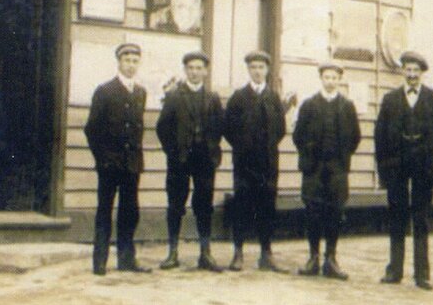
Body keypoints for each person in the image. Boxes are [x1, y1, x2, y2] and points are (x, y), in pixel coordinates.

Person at [374, 50, 433, 290]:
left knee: (421, 219)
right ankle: (394, 270)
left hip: (424, 166)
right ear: (402, 71)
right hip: (396, 165)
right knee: (396, 217)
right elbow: (380, 136)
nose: (412, 75)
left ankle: (422, 274)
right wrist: (383, 169)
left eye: (416, 71)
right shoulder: (390, 99)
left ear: (422, 73)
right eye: (408, 70)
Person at [83, 42, 151, 276]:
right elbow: (91, 129)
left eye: (135, 61)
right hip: (109, 164)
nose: (131, 65)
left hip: (131, 163)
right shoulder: (105, 91)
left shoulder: (140, 93)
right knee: (105, 211)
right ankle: (99, 261)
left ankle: (126, 259)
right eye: (127, 60)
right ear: (119, 62)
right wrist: (102, 158)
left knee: (130, 211)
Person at [156, 50, 225, 272]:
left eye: (199, 68)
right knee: (175, 205)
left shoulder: (212, 98)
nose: (195, 72)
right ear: (185, 70)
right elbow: (162, 128)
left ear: (205, 71)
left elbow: (219, 127)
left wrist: (212, 148)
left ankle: (205, 253)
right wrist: (173, 152)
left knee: (204, 206)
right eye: (191, 68)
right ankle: (173, 252)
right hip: (180, 161)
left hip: (204, 161)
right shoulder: (175, 96)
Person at [291, 62, 360, 280]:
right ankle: (313, 257)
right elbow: (298, 135)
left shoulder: (347, 106)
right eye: (326, 77)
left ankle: (331, 258)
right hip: (314, 169)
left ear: (340, 80)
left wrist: (342, 157)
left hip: (337, 169)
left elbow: (355, 136)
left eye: (334, 77)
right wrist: (310, 155)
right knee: (312, 211)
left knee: (335, 212)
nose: (330, 81)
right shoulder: (309, 105)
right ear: (321, 78)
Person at [223, 50, 288, 272]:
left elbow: (280, 129)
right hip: (244, 163)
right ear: (248, 70)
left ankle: (266, 253)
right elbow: (228, 129)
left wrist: (265, 148)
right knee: (241, 205)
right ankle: (238, 252)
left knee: (267, 206)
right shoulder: (238, 98)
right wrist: (244, 147)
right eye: (253, 67)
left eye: (261, 67)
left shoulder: (273, 98)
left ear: (267, 70)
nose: (257, 71)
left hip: (268, 163)